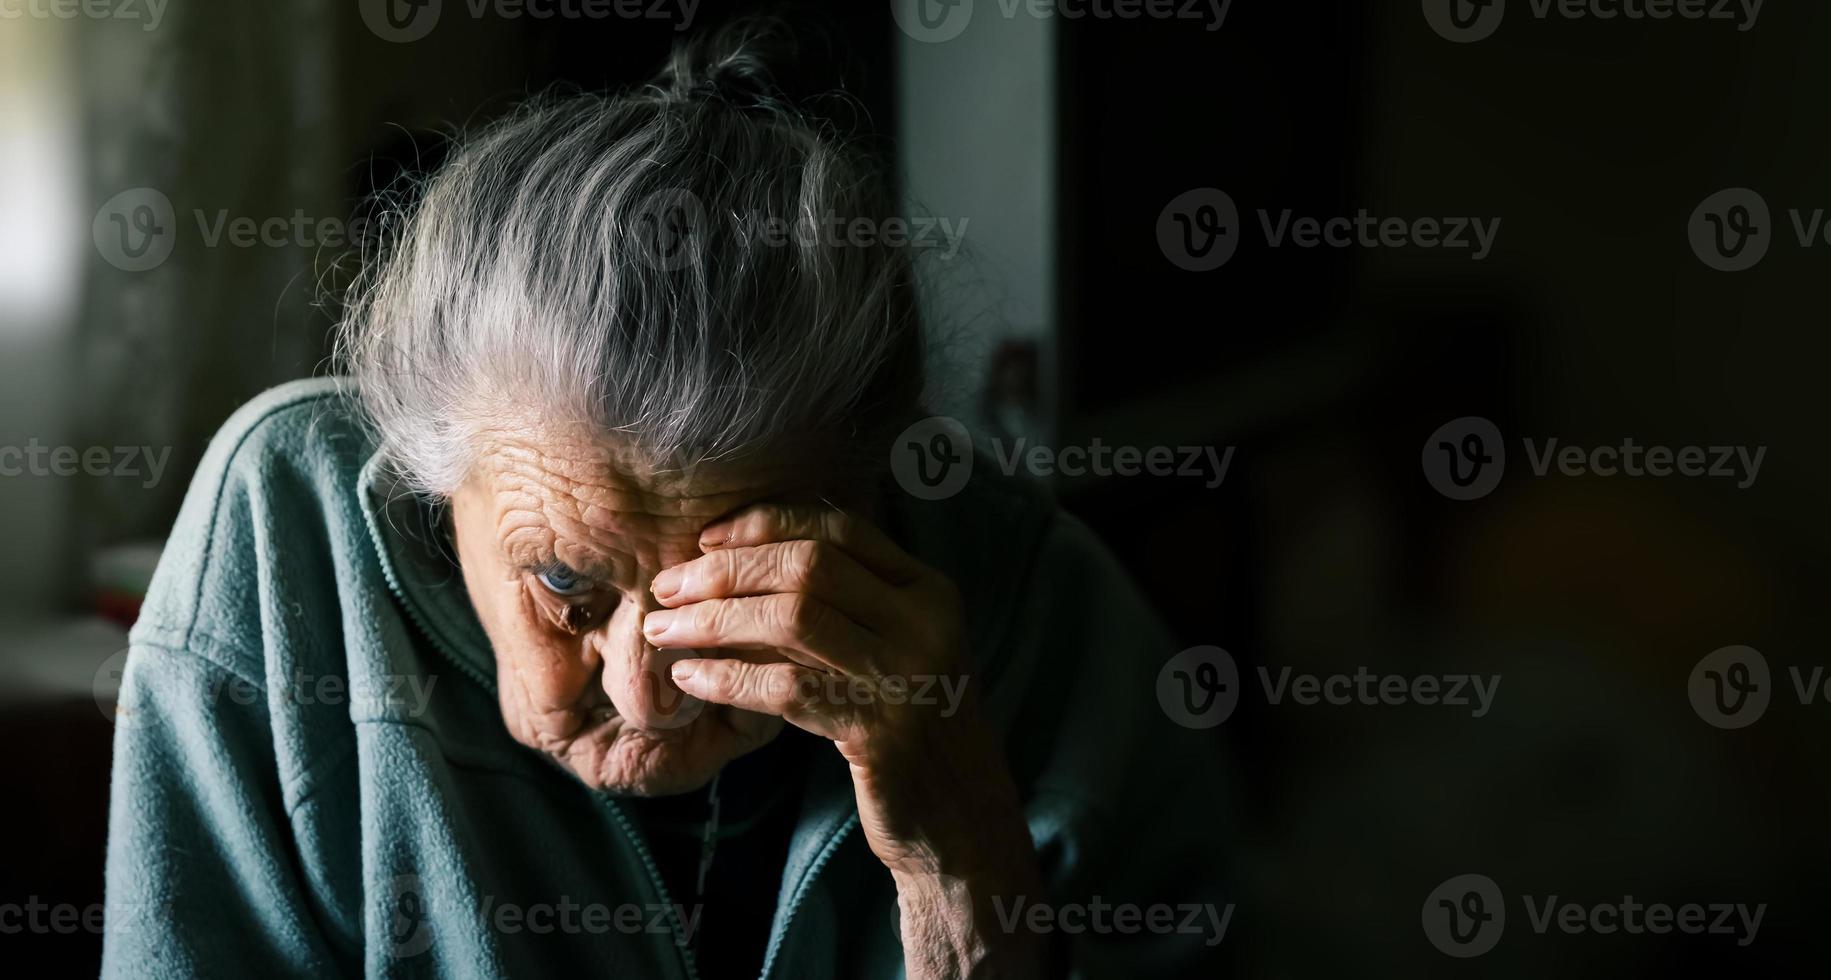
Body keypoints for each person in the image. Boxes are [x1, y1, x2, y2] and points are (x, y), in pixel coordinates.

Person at [101, 17, 1227, 978]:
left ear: (869, 486)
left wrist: (957, 862)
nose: (645, 700)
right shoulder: (286, 520)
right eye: (564, 583)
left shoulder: (1028, 588)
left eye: (730, 589)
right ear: (425, 468)